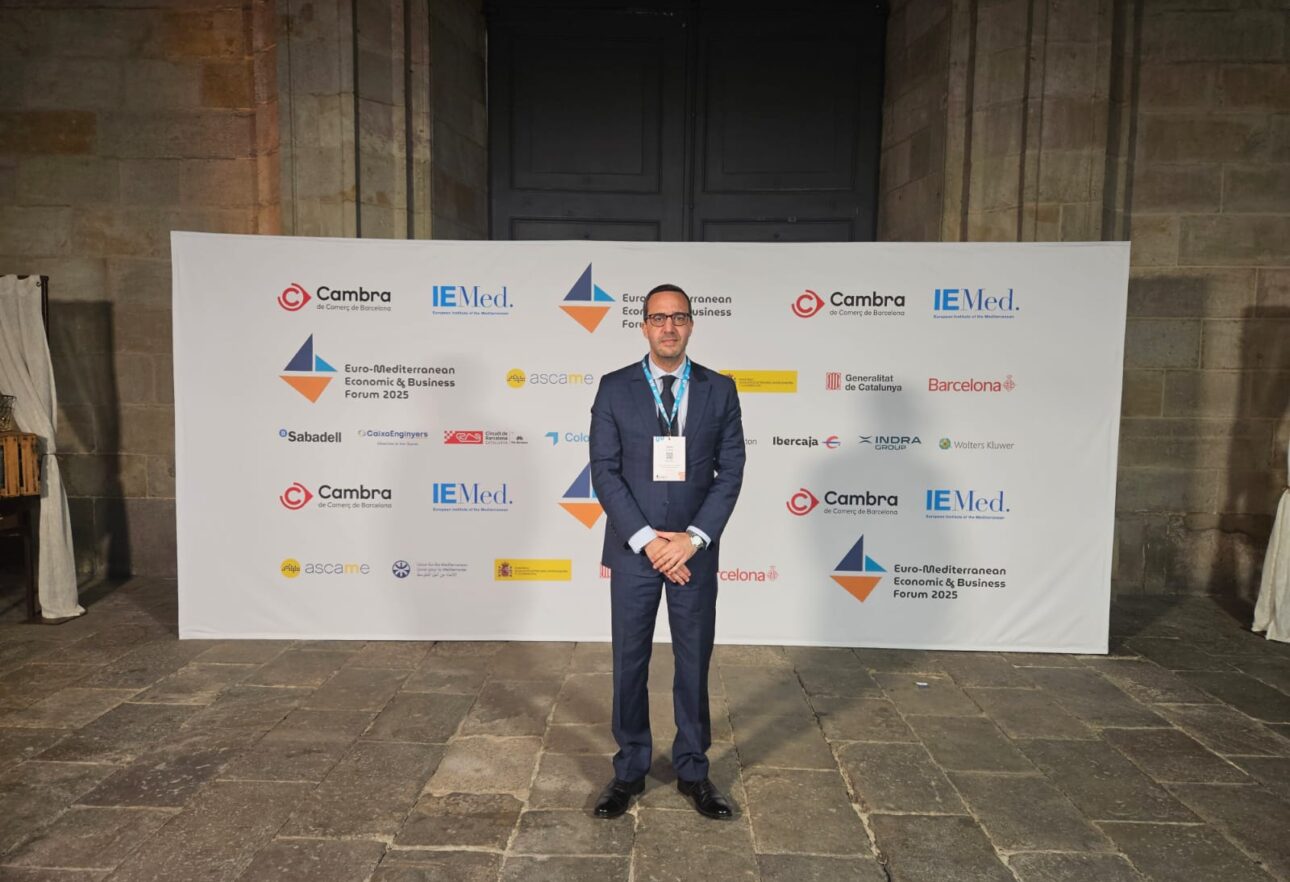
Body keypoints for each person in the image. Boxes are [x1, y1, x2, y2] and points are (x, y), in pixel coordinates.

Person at [587, 283, 746, 821]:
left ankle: (694, 771)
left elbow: (731, 471)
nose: (669, 327)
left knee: (693, 661)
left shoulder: (720, 389)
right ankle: (629, 769)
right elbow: (605, 472)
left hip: (692, 553)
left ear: (691, 324)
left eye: (678, 317)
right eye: (659, 318)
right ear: (644, 326)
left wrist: (692, 539)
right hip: (636, 551)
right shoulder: (614, 388)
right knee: (629, 661)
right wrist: (650, 541)